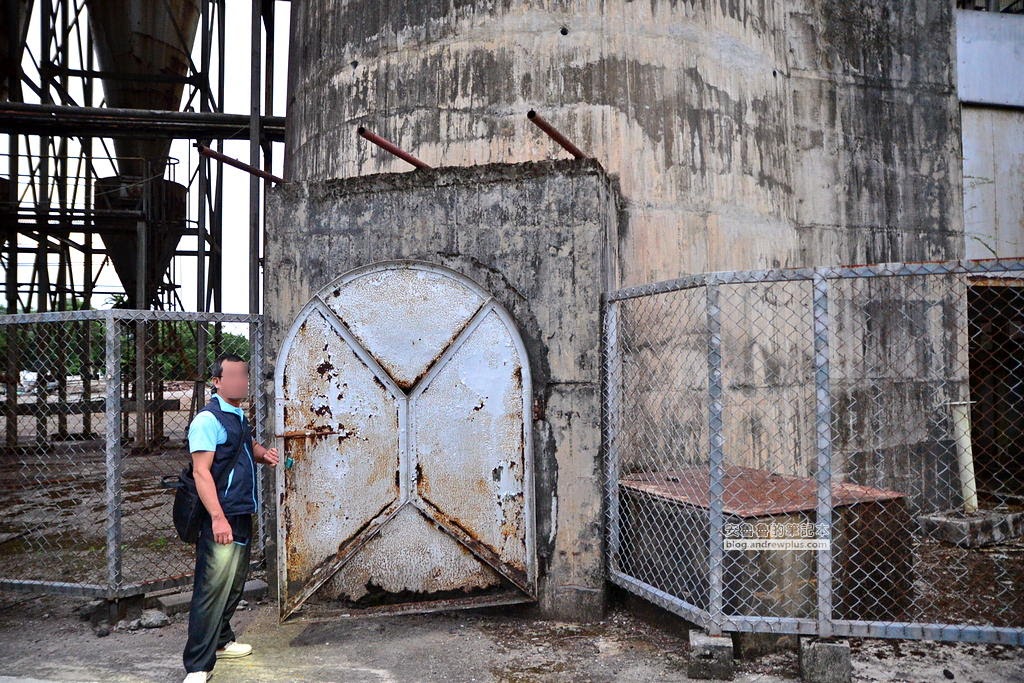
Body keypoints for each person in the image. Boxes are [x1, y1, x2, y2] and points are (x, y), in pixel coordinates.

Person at [182, 353, 279, 683]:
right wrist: (217, 519)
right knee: (211, 589)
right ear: (217, 381)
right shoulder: (207, 420)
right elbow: (201, 472)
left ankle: (221, 642)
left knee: (234, 583)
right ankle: (197, 666)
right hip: (221, 517)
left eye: (244, 376)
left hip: (240, 512)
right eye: (233, 376)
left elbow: (242, 444)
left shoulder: (236, 415)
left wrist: (262, 453)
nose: (241, 381)